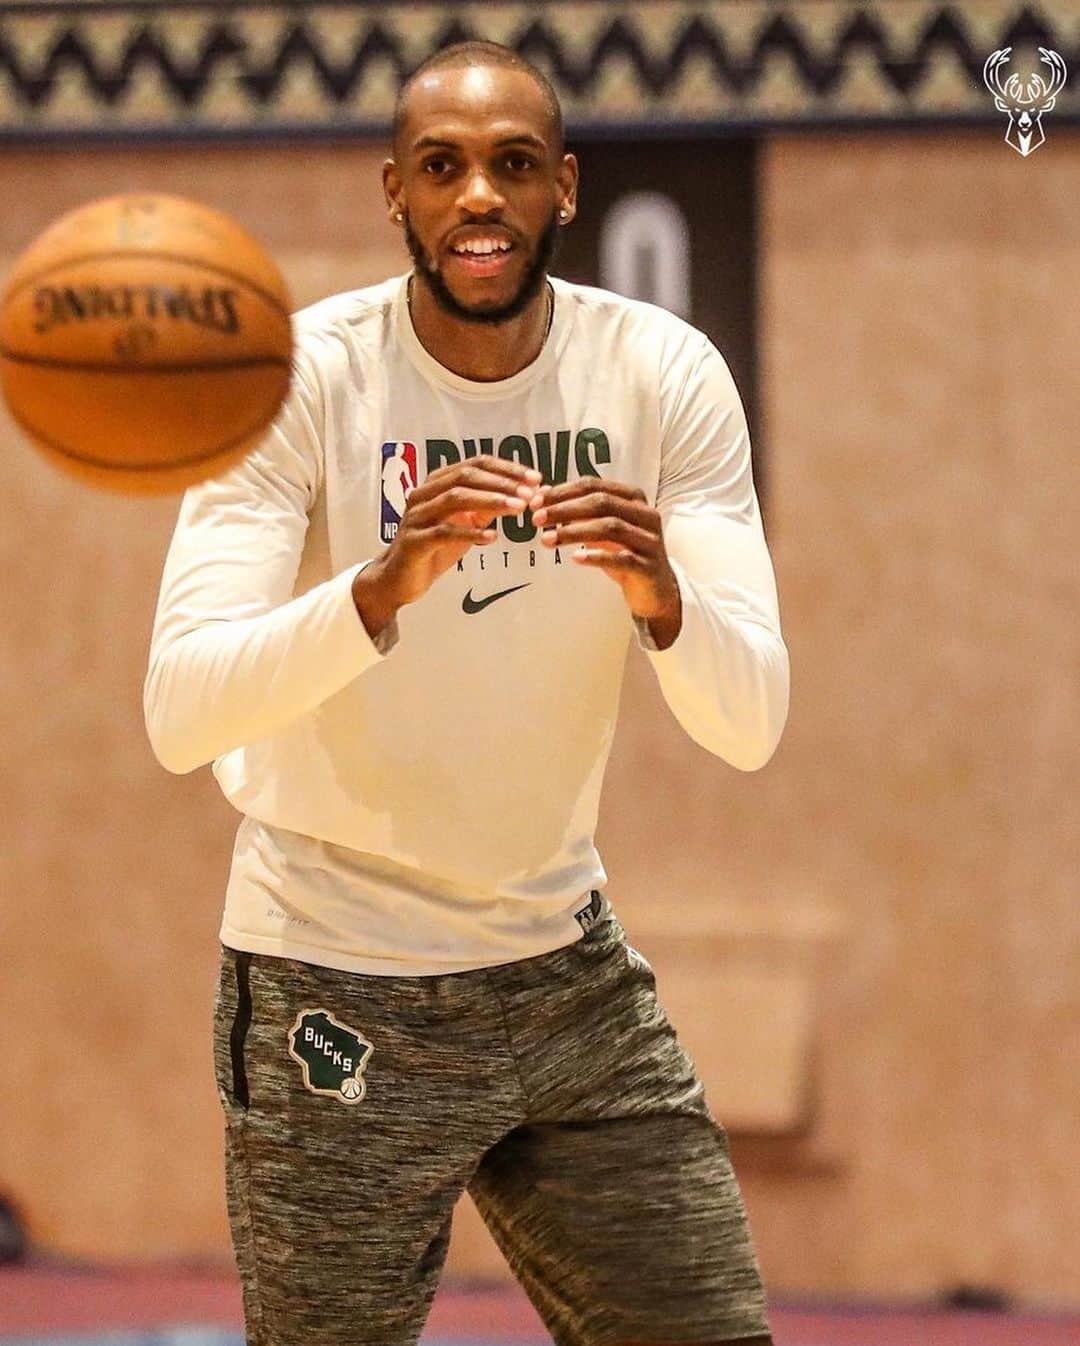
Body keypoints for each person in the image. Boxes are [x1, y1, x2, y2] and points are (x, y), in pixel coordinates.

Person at [144, 39, 788, 1346]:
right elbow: (180, 708)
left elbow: (752, 720)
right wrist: (381, 588)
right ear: (395, 193)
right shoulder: (304, 375)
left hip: (563, 971)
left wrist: (665, 600)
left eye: (510, 165)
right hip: (336, 972)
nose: (477, 195)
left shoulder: (661, 374)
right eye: (442, 166)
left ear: (565, 184)